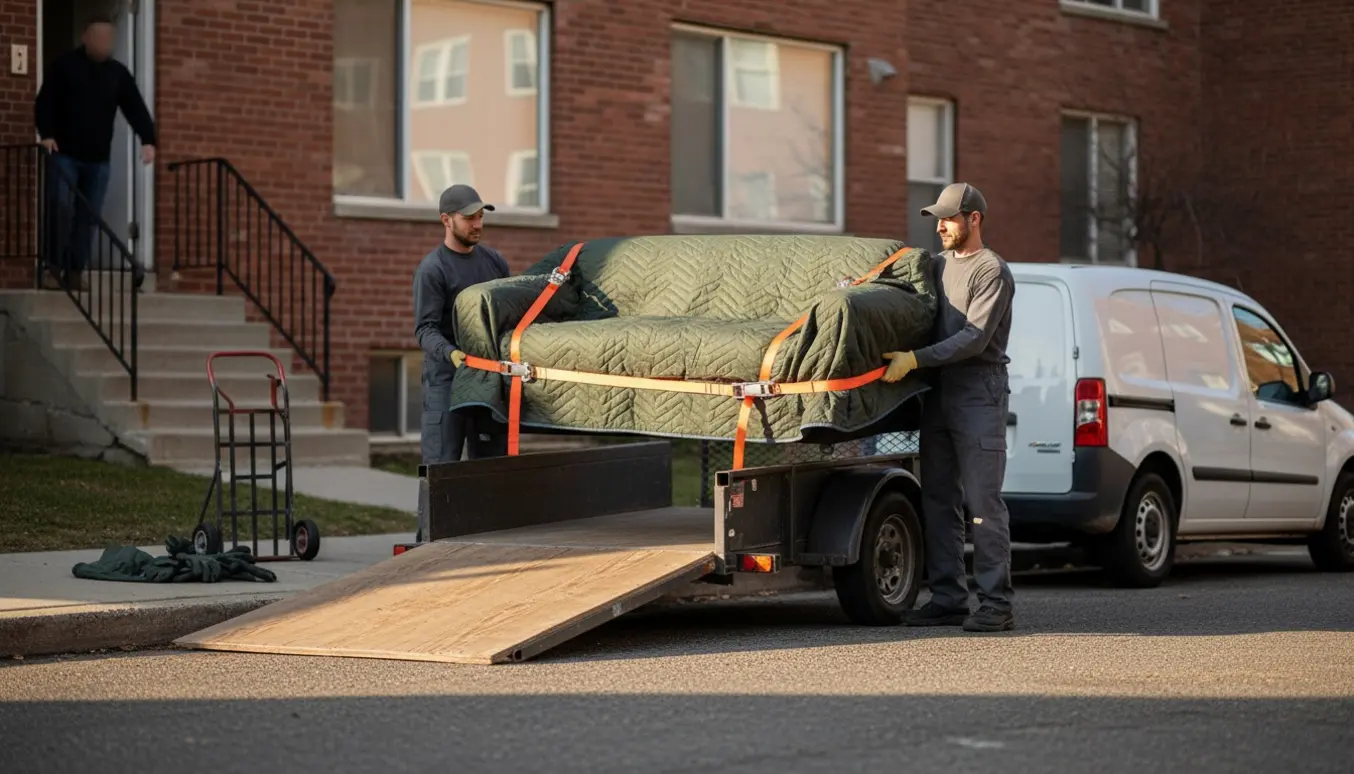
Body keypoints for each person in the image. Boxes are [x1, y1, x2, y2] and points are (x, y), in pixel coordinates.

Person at [880, 182, 1017, 632]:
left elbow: (974, 339)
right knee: (939, 498)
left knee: (983, 504)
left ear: (973, 219)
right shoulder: (935, 266)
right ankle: (949, 598)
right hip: (939, 392)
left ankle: (996, 604)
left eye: (949, 218)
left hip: (980, 391)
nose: (940, 225)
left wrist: (915, 359)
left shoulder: (991, 271)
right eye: (937, 218)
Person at [33, 14, 156, 290]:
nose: (104, 43)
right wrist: (47, 134)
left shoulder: (118, 74)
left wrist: (148, 139)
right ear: (85, 37)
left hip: (98, 159)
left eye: (108, 38)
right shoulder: (64, 66)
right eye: (98, 37)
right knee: (61, 208)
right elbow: (45, 101)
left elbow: (134, 106)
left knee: (88, 216)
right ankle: (52, 267)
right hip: (64, 152)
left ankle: (76, 270)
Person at [413, 183, 512, 466]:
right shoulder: (433, 269)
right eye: (469, 218)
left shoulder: (495, 262)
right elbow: (424, 329)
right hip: (447, 379)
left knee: (490, 469)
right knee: (441, 469)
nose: (477, 224)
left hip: (488, 378)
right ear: (446, 220)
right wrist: (452, 354)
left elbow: (507, 313)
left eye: (480, 216)